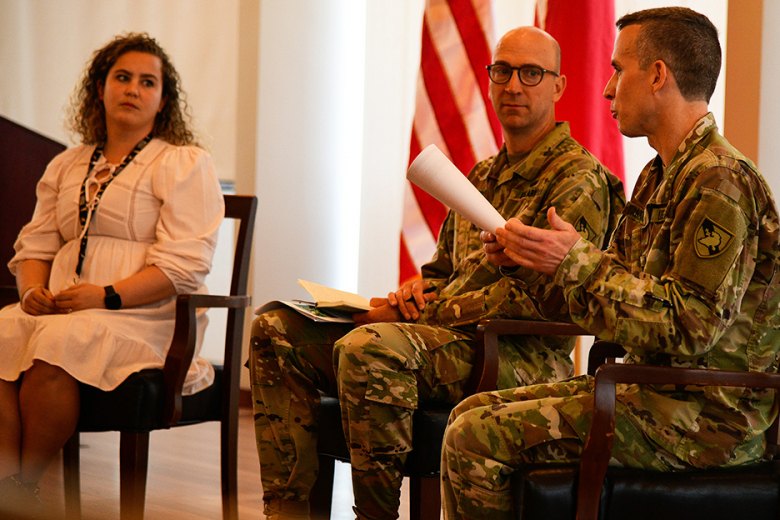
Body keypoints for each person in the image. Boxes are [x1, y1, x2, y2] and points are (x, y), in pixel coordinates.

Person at [249, 26, 625, 520]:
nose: (513, 85)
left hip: (517, 354)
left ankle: (374, 516)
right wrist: (413, 294)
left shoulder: (578, 179)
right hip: (443, 341)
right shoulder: (481, 176)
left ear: (558, 86)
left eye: (531, 73)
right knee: (275, 330)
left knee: (371, 347)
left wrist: (426, 312)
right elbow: (440, 272)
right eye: (502, 71)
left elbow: (548, 300)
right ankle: (287, 511)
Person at [443, 7, 780, 520]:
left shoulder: (720, 180)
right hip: (650, 393)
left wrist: (574, 260)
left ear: (658, 75)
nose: (606, 89)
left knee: (473, 436)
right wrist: (532, 263)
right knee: (468, 413)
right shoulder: (659, 176)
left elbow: (690, 326)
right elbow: (610, 300)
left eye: (619, 70)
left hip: (707, 419)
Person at [0, 33, 224, 515]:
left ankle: (25, 489)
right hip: (64, 308)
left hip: (147, 316)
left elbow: (184, 266)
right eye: (122, 77)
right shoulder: (67, 163)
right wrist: (33, 289)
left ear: (163, 100)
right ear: (99, 88)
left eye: (148, 82)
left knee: (59, 342)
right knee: (3, 332)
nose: (133, 89)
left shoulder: (184, 163)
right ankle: (6, 487)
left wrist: (105, 296)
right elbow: (36, 245)